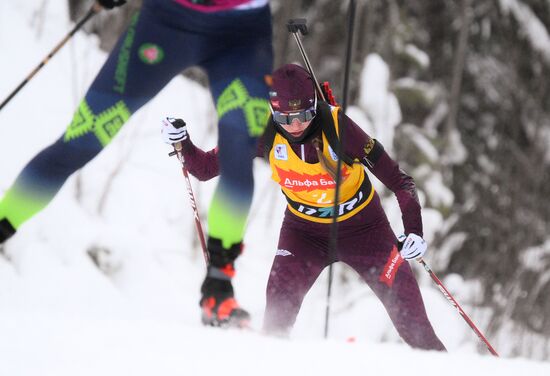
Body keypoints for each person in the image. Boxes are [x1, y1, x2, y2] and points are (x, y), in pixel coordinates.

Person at [0, 0, 273, 327]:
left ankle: (219, 286)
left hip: (242, 35)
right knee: (81, 141)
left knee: (238, 154)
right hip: (167, 23)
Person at [161, 63, 447, 350]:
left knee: (415, 328)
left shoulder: (339, 128)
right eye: (285, 117)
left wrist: (414, 231)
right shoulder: (261, 130)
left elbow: (401, 181)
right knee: (276, 316)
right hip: (304, 234)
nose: (295, 125)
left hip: (366, 231)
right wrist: (182, 144)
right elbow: (206, 168)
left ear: (314, 106)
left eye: (304, 115)